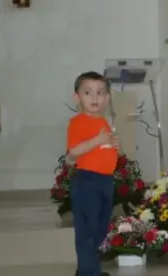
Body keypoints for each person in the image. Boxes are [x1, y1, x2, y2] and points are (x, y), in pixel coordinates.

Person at [65, 71, 119, 276]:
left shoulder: (103, 122)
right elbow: (73, 152)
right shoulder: (78, 122)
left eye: (100, 93)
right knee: (87, 229)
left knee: (99, 229)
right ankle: (88, 272)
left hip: (105, 181)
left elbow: (103, 148)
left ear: (106, 98)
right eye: (88, 93)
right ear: (77, 97)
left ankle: (89, 268)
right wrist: (98, 142)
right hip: (87, 181)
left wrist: (112, 145)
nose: (95, 98)